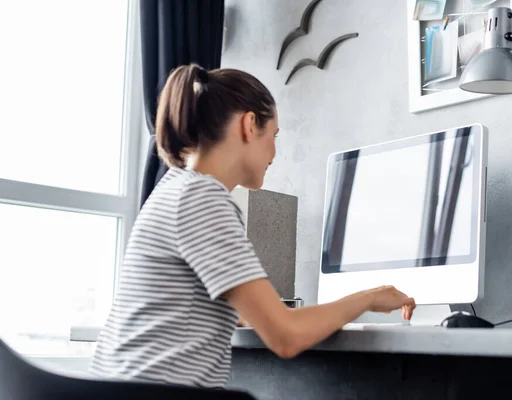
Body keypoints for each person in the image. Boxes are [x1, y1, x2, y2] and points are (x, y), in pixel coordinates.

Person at [89, 64, 416, 388]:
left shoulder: (175, 189)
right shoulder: (202, 198)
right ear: (248, 125)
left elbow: (199, 309)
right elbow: (286, 337)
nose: (274, 152)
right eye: (273, 135)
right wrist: (369, 298)